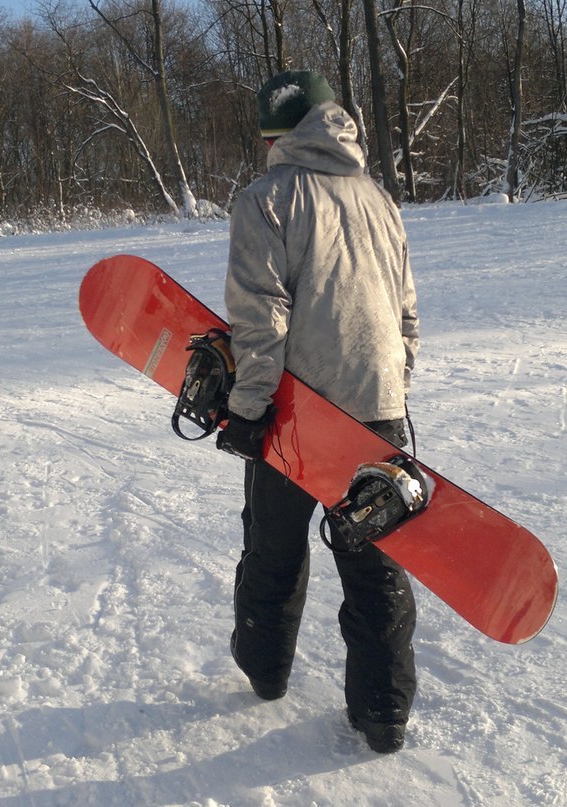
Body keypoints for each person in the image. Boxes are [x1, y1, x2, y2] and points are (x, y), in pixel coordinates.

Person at [216, 70, 419, 755]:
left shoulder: (265, 198)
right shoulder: (380, 200)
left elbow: (259, 315)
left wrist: (247, 407)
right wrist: (392, 384)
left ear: (275, 131)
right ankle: (383, 713)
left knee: (273, 546)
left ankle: (265, 669)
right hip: (376, 410)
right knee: (374, 562)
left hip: (297, 412)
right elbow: (405, 314)